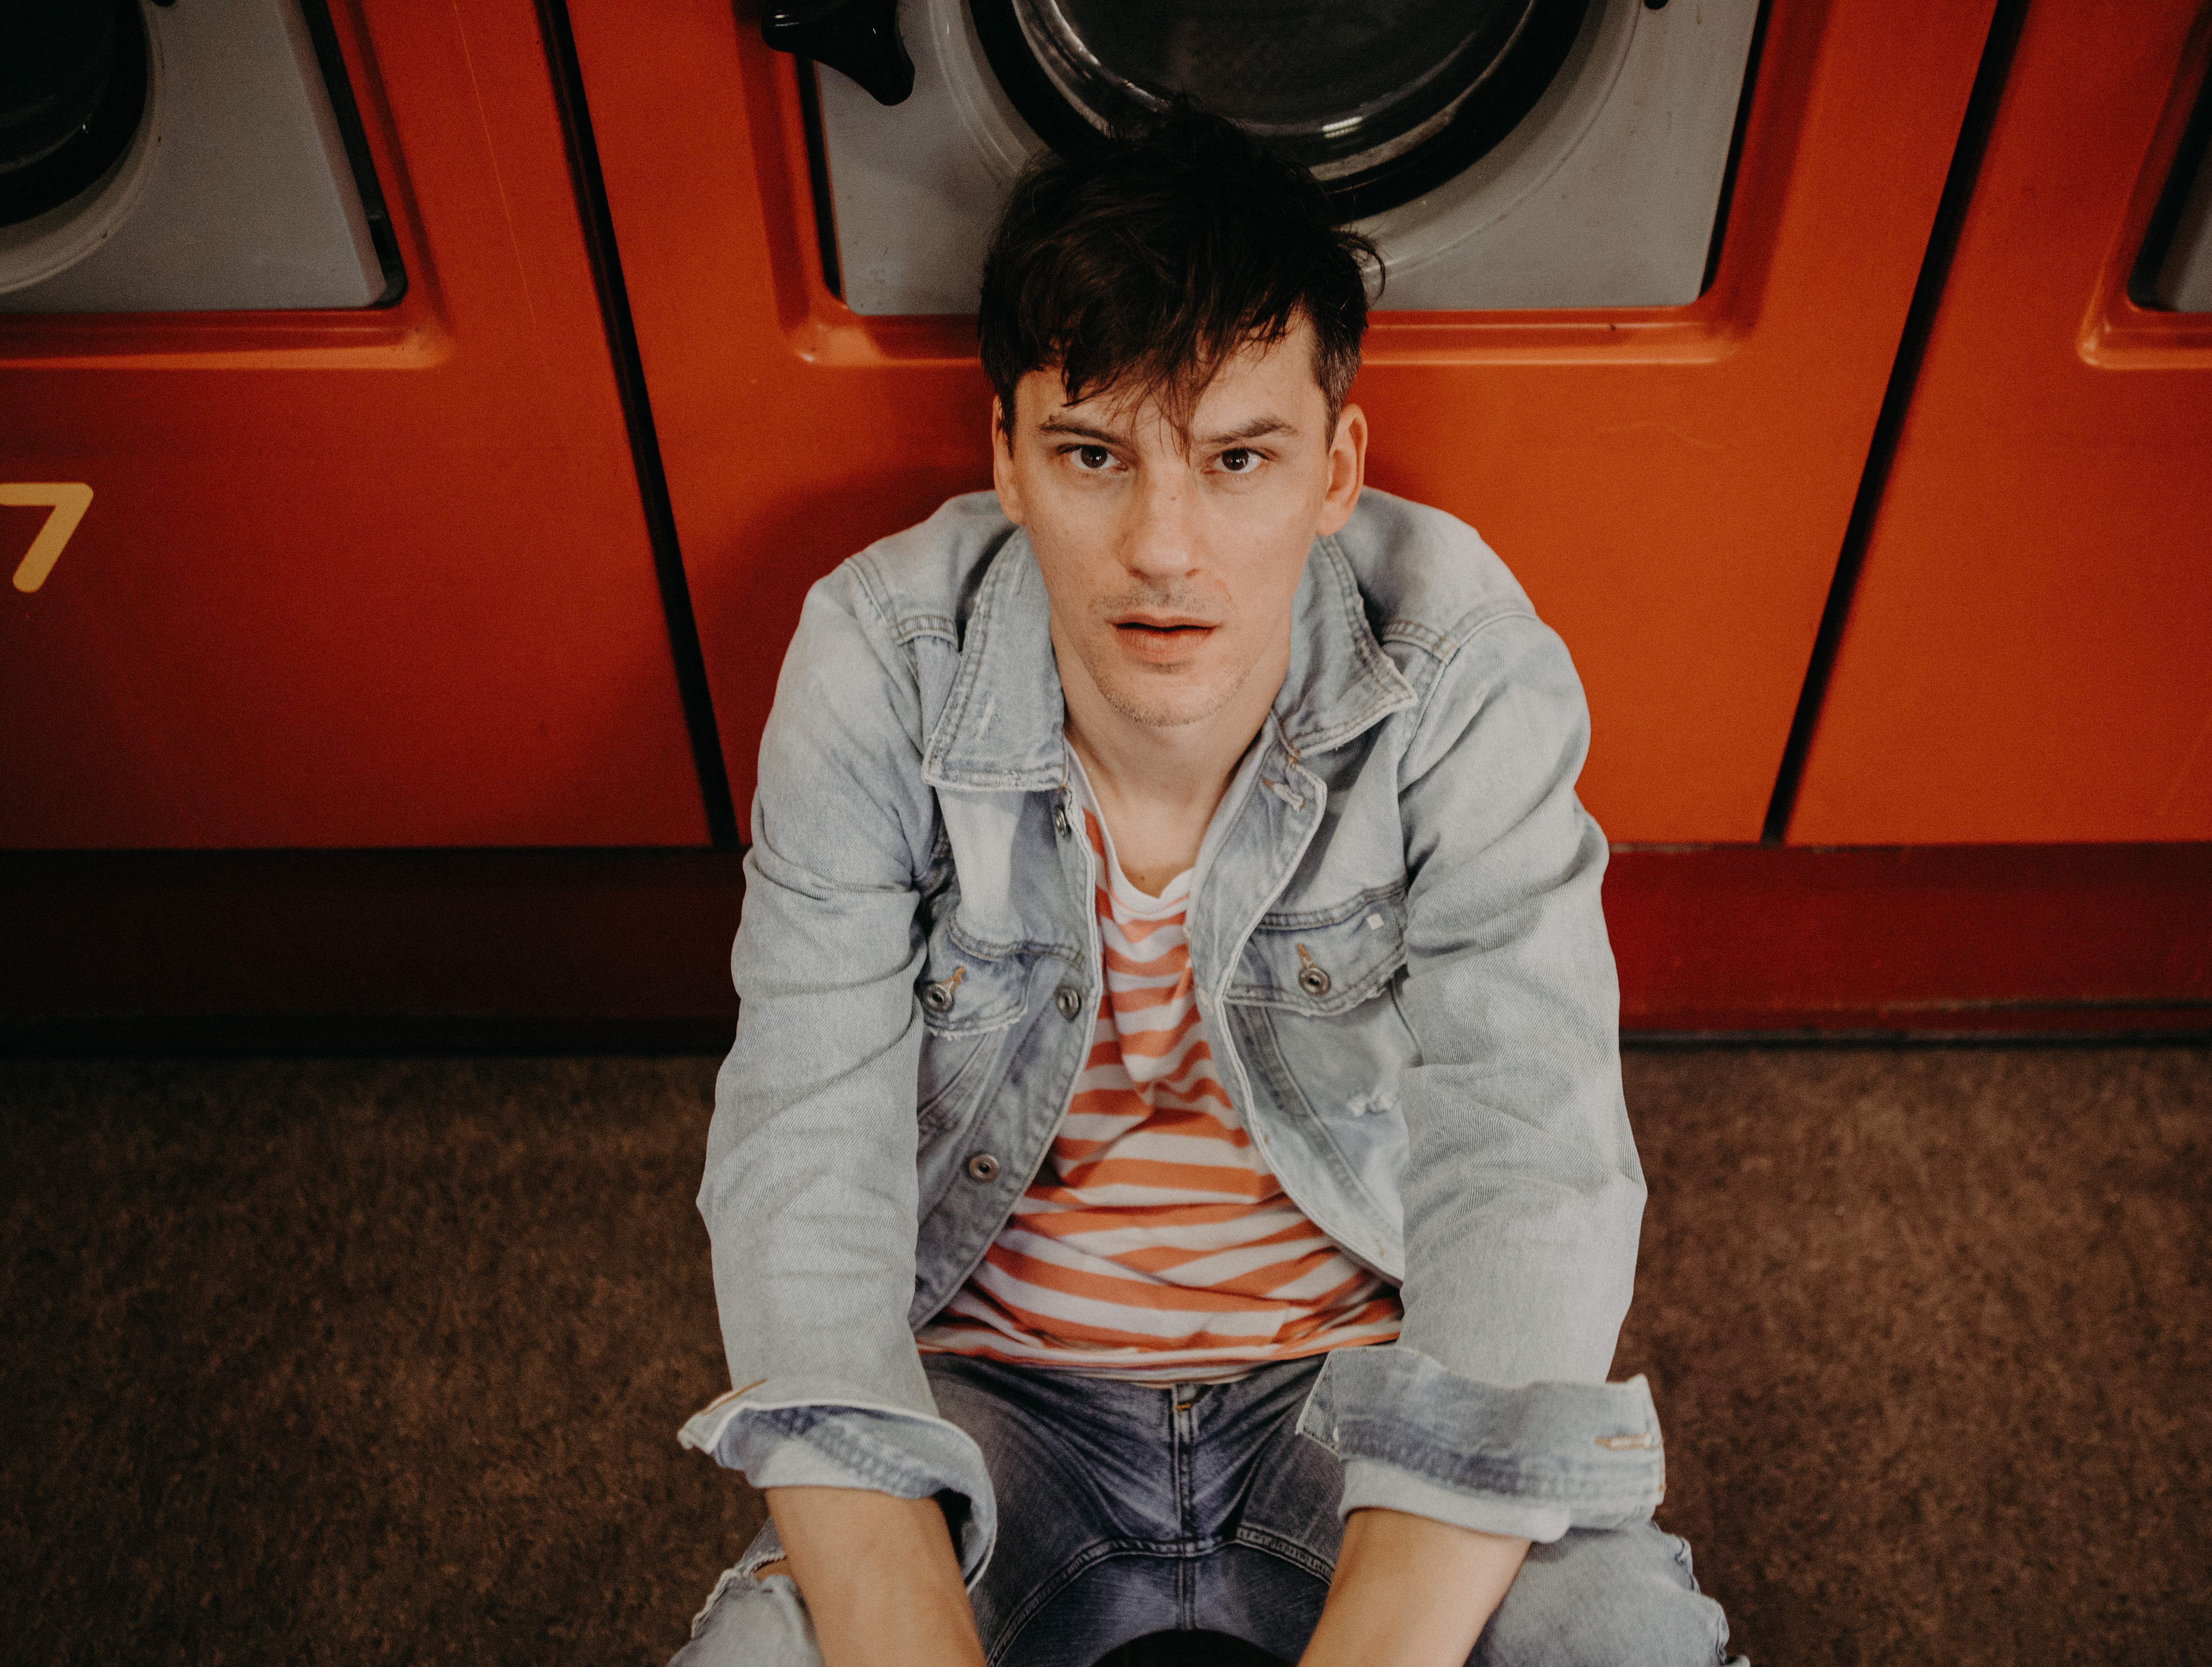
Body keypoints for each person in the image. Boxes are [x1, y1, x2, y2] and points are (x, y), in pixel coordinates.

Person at [670, 106, 1739, 1667]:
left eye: (1238, 458)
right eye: (1093, 455)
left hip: (1359, 1388)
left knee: (1618, 1647)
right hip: (988, 1400)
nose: (1164, 549)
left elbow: (1534, 1157)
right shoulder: (880, 656)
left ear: (1334, 469)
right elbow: (801, 1153)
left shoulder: (1461, 663)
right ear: (1007, 457)